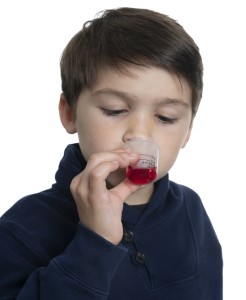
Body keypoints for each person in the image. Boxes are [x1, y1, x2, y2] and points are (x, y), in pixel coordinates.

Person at [0, 7, 223, 299]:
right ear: (69, 114)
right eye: (114, 110)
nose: (140, 134)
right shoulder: (21, 231)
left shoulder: (191, 212)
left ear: (188, 130)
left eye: (166, 117)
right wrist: (95, 243)